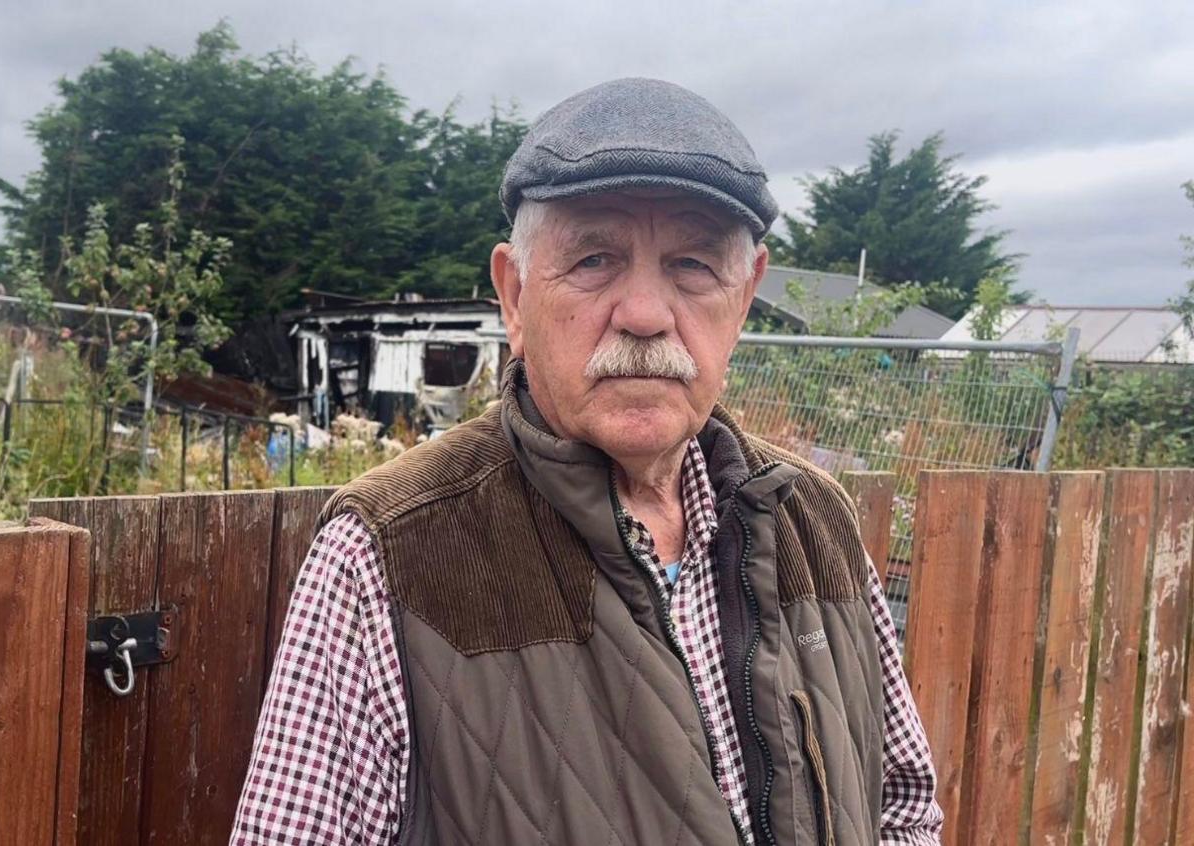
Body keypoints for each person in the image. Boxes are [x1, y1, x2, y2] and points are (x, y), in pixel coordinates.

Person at [233, 77, 943, 845]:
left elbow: (901, 811)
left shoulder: (815, 520)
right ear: (513, 294)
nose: (644, 313)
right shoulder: (388, 553)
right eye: (595, 258)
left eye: (693, 266)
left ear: (744, 301)